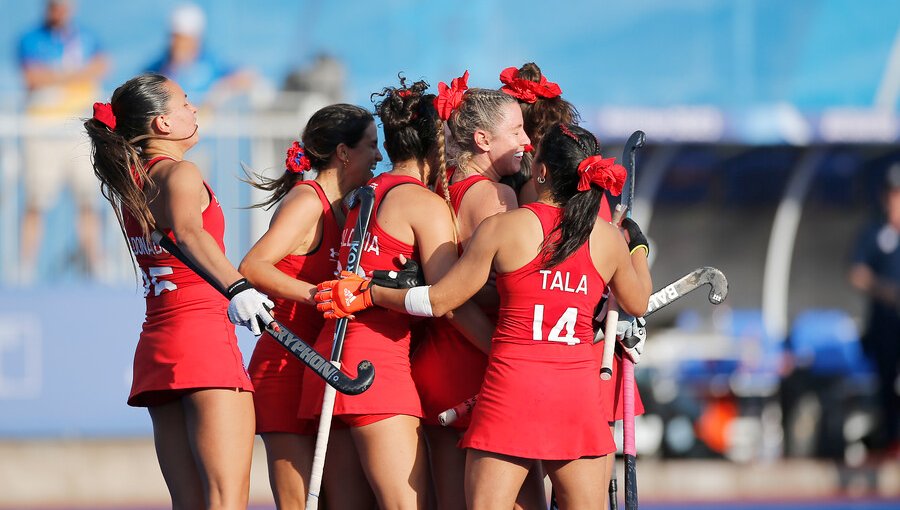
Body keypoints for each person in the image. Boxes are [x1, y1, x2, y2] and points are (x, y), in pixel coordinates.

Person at [317, 122, 653, 509]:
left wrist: (370, 293)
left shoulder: (503, 229)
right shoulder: (606, 237)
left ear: (542, 172)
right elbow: (638, 302)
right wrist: (637, 247)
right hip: (577, 399)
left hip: (512, 394)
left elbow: (440, 301)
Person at [297, 76, 497, 510]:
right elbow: (450, 303)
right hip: (376, 368)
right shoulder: (422, 203)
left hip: (329, 361)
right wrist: (502, 354)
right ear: (436, 141)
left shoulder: (364, 192)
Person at [83, 73, 275, 509]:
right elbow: (190, 232)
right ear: (162, 124)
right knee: (226, 500)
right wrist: (239, 287)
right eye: (185, 103)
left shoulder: (131, 182)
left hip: (157, 346)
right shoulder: (180, 173)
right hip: (203, 341)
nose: (194, 109)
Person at [402, 71, 546, 510]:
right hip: (482, 361)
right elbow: (514, 286)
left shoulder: (436, 187)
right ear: (483, 139)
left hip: (436, 363)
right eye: (517, 129)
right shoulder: (497, 194)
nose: (526, 140)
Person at [238, 104, 381, 510]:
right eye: (371, 145)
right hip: (284, 365)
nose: (378, 156)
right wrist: (319, 295)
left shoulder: (347, 208)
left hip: (321, 368)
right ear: (343, 152)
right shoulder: (308, 201)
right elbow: (252, 266)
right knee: (300, 503)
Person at [18, 0, 109, 283]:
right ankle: (26, 268)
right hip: (43, 130)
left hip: (78, 131)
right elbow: (32, 78)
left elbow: (101, 66)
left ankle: (97, 265)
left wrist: (55, 77)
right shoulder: (31, 39)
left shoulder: (87, 37)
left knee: (88, 200)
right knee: (37, 198)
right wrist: (74, 76)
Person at [849, 162, 900, 455]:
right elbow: (857, 271)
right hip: (885, 325)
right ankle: (890, 442)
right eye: (894, 194)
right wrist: (886, 291)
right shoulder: (876, 231)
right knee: (886, 385)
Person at [147, 3, 255, 108]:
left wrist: (218, 94)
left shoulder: (211, 63)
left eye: (182, 39)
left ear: (196, 39)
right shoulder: (157, 69)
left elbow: (246, 78)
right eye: (174, 38)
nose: (176, 44)